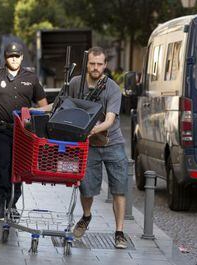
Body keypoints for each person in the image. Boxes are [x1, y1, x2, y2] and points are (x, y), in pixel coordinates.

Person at [0, 41, 48, 219]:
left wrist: (45, 130)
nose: (14, 59)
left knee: (17, 168)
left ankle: (12, 204)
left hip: (22, 133)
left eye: (17, 56)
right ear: (5, 57)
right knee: (1, 166)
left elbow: (44, 106)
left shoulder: (31, 79)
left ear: (21, 57)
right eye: (10, 56)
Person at [71, 47, 128, 249]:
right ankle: (86, 217)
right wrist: (36, 109)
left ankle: (119, 232)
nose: (95, 68)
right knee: (86, 188)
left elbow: (110, 120)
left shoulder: (112, 88)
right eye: (92, 64)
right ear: (87, 64)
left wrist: (90, 129)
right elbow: (62, 106)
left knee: (119, 189)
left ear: (105, 65)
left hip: (113, 143)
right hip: (90, 146)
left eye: (99, 64)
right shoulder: (76, 83)